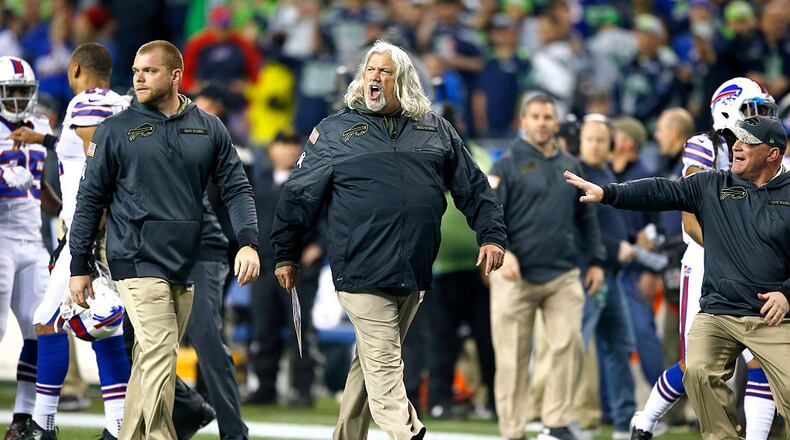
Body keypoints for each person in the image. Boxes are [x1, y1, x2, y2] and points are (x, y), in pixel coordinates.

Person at [270, 40, 507, 440]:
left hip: (413, 271)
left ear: (405, 81)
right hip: (359, 268)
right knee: (384, 362)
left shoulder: (435, 130)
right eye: (369, 71)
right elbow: (298, 195)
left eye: (385, 72)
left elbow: (475, 189)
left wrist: (492, 236)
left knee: (370, 363)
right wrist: (285, 254)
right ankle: (408, 432)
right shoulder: (335, 132)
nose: (374, 78)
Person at [67, 40, 260, 440]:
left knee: (149, 357)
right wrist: (78, 265)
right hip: (135, 257)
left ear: (175, 76)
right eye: (135, 70)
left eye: (149, 71)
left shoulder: (208, 127)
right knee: (159, 349)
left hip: (185, 259)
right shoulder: (115, 130)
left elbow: (237, 188)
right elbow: (90, 200)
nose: (138, 77)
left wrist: (247, 241)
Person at [565, 115, 790, 440]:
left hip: (774, 317)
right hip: (720, 313)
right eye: (736, 140)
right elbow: (660, 190)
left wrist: (786, 294)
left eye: (748, 142)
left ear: (773, 154)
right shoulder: (713, 184)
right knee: (696, 368)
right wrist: (608, 193)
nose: (737, 147)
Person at [629, 79, 779, 440]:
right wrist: (730, 245)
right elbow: (690, 213)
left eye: (762, 110)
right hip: (706, 260)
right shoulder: (704, 146)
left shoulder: (765, 152)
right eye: (751, 110)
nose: (759, 118)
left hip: (752, 264)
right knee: (695, 363)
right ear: (727, 111)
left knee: (759, 356)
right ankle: (645, 420)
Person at [4, 43, 131, 440]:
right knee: (100, 324)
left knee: (47, 320)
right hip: (107, 225)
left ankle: (43, 424)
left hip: (89, 226)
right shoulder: (123, 104)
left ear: (75, 68)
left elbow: (98, 148)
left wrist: (101, 204)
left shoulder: (86, 102)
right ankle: (114, 427)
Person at [487, 93, 605, 440]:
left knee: (568, 345)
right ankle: (513, 430)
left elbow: (588, 218)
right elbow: (488, 217)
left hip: (562, 274)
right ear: (523, 122)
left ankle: (556, 422)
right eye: (535, 116)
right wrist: (502, 252)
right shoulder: (504, 166)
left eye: (547, 116)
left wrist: (596, 260)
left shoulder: (571, 165)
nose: (541, 122)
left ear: (556, 123)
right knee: (512, 357)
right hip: (514, 277)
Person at [0, 55, 60, 440]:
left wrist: (63, 208)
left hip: (33, 240)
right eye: (11, 91)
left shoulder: (40, 126)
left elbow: (39, 192)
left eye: (24, 91)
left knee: (42, 330)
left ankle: (23, 417)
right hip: (1, 239)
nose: (19, 99)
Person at [248, 132, 322, 407]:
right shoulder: (258, 181)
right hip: (265, 267)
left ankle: (303, 389)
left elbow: (325, 217)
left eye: (294, 146)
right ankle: (264, 387)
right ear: (272, 150)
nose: (289, 151)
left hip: (298, 267)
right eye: (284, 145)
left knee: (300, 329)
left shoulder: (309, 177)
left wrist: (318, 247)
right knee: (263, 329)